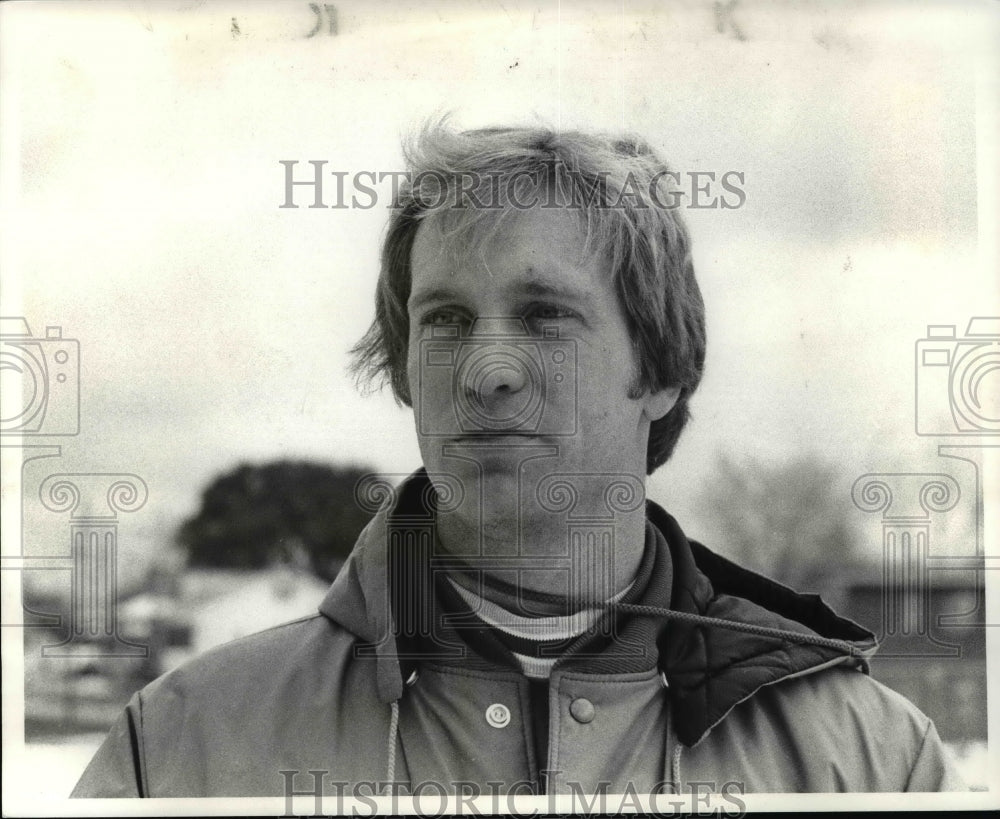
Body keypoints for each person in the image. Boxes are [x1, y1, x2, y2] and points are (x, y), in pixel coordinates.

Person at [72, 122, 964, 798]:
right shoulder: (184, 747)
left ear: (658, 368)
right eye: (446, 321)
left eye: (544, 316)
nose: (488, 370)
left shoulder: (872, 761)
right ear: (405, 369)